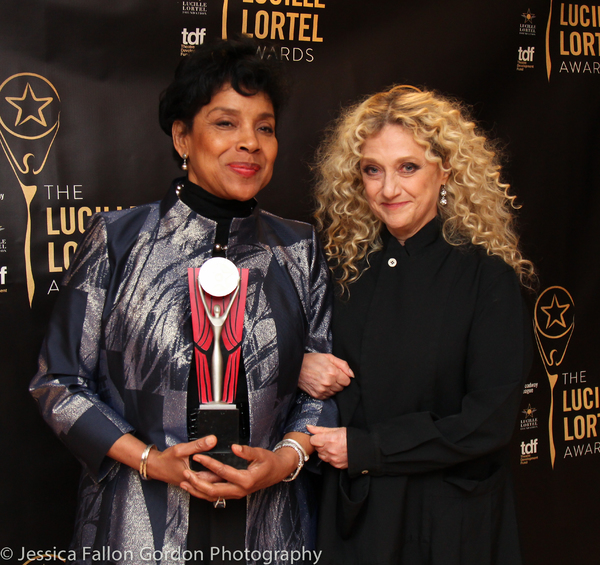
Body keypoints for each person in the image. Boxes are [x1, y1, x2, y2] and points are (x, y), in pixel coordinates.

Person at [30, 38, 336, 565]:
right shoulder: (119, 240)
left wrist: (285, 458)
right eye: (226, 123)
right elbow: (58, 384)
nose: (250, 144)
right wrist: (150, 461)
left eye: (264, 127)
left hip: (267, 533)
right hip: (137, 532)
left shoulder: (299, 249)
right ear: (182, 136)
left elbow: (324, 391)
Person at [300, 85, 535, 565]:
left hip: (451, 525)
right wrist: (297, 364)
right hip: (356, 522)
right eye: (373, 170)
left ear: (445, 170)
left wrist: (370, 448)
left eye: (409, 167)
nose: (389, 189)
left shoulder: (486, 275)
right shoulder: (341, 269)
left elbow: (489, 421)